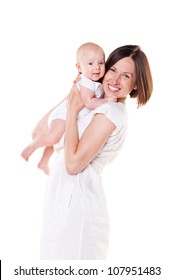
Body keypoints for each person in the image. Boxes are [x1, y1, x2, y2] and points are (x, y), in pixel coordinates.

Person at [32, 45, 153, 260]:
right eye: (112, 70)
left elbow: (73, 165)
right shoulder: (94, 105)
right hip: (62, 203)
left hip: (79, 208)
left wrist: (72, 111)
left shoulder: (111, 111)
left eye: (126, 76)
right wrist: (80, 89)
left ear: (135, 84)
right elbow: (38, 132)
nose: (115, 81)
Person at [21, 42, 114, 175]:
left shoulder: (94, 81)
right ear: (79, 68)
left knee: (57, 140)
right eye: (91, 63)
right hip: (63, 114)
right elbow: (88, 102)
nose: (97, 67)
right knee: (53, 137)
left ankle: (43, 162)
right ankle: (32, 146)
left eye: (101, 63)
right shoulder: (86, 82)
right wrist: (106, 101)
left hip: (70, 115)